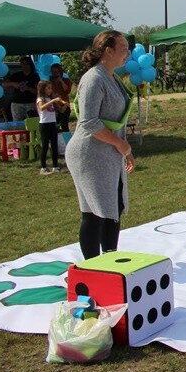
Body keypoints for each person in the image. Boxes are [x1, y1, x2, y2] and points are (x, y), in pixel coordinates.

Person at [67, 30, 134, 259]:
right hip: (89, 154)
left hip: (108, 152)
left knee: (113, 208)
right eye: (124, 48)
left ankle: (110, 260)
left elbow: (117, 121)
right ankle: (92, 266)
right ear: (109, 51)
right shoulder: (94, 78)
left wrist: (125, 148)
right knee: (94, 211)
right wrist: (119, 144)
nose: (128, 53)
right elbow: (89, 121)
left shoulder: (112, 77)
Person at [35, 80, 63, 174]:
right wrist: (53, 100)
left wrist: (64, 105)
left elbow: (61, 110)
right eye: (48, 88)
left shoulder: (50, 99)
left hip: (52, 123)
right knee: (45, 145)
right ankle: (43, 167)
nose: (50, 90)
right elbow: (42, 108)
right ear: (43, 89)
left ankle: (55, 166)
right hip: (44, 124)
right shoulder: (40, 99)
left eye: (51, 88)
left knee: (54, 145)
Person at [4, 56, 39, 121]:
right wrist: (13, 84)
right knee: (17, 123)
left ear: (30, 65)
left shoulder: (35, 76)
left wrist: (28, 88)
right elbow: (4, 84)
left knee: (32, 122)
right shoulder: (16, 75)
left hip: (30, 103)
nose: (25, 66)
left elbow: (38, 91)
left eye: (27, 64)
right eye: (23, 64)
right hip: (17, 103)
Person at [48, 63, 73, 132]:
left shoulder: (66, 80)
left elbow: (67, 90)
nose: (54, 74)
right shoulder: (49, 81)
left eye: (56, 72)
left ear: (60, 72)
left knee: (64, 126)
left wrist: (61, 80)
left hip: (64, 105)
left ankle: (67, 138)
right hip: (54, 106)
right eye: (53, 72)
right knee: (55, 127)